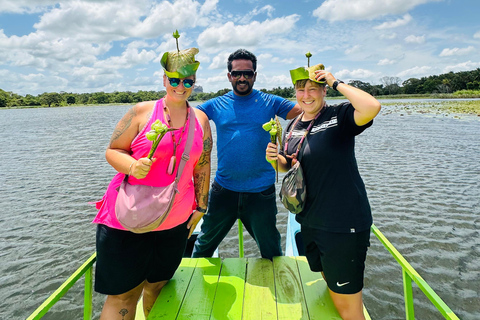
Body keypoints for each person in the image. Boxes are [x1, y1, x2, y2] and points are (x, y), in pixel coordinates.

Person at [92, 41, 212, 320]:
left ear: (194, 82)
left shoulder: (202, 119)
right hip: (128, 220)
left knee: (159, 287)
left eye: (188, 81)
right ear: (164, 79)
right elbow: (113, 150)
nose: (180, 87)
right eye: (174, 80)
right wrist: (133, 166)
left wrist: (202, 207)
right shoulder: (141, 112)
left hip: (174, 221)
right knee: (124, 295)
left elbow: (202, 166)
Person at [266, 62, 381, 320]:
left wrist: (333, 80)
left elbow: (372, 107)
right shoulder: (293, 124)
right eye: (300, 89)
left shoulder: (338, 117)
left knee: (349, 309)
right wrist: (275, 159)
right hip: (310, 221)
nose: (306, 95)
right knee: (332, 289)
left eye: (313, 89)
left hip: (343, 224)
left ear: (323, 91)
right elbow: (289, 164)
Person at [192, 49, 302, 259]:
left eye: (248, 73)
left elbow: (307, 110)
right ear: (229, 76)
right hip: (223, 190)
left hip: (261, 193)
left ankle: (277, 289)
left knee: (272, 253)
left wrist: (312, 85)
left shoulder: (271, 102)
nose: (242, 78)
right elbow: (188, 115)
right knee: (203, 248)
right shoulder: (216, 104)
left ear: (255, 75)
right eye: (237, 73)